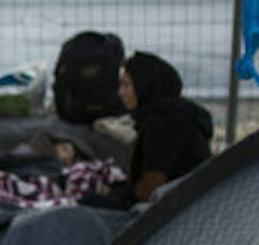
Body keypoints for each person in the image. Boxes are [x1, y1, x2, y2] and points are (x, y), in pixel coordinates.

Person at [86, 51, 212, 207]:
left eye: (126, 85)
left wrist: (113, 197)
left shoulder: (165, 123)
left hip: (176, 210)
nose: (120, 92)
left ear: (144, 86)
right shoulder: (169, 115)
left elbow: (150, 190)